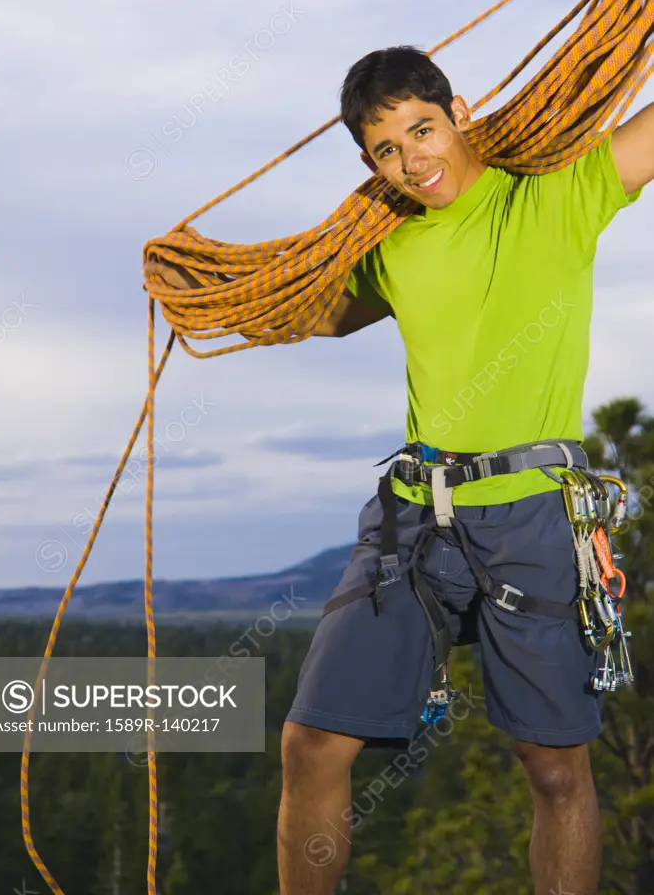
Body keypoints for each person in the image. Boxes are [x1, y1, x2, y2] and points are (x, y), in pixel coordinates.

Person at [274, 46, 653, 895]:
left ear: (459, 111)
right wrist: (221, 293)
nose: (414, 160)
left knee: (554, 770)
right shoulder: (393, 244)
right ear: (369, 163)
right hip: (413, 516)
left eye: (423, 128)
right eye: (386, 150)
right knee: (311, 743)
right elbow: (325, 317)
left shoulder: (559, 196)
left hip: (536, 518)